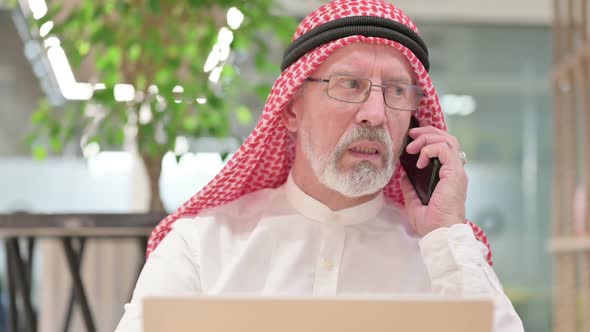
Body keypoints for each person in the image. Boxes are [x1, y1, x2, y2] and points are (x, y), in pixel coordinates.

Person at [116, 0, 524, 331]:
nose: (376, 114)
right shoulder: (203, 244)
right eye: (349, 84)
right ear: (292, 109)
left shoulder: (443, 256)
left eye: (398, 91)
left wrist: (446, 232)